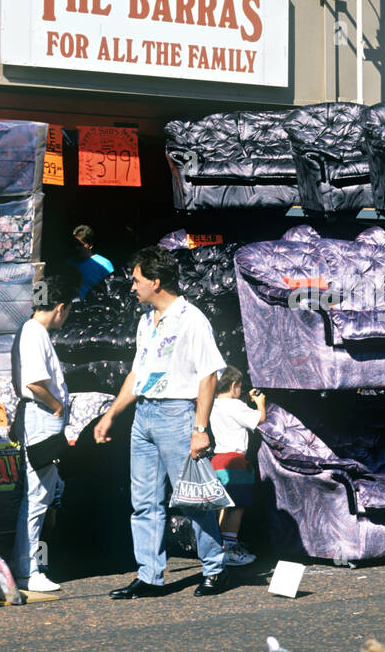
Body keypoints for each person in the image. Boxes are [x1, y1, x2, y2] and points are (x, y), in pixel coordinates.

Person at [93, 246, 229, 599]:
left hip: (177, 415)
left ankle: (214, 570)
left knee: (194, 499)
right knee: (144, 502)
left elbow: (209, 375)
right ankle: (150, 576)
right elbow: (137, 374)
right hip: (145, 416)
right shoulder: (145, 322)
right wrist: (111, 414)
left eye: (136, 280)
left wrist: (200, 428)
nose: (131, 286)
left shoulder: (192, 319)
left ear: (156, 281)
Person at [10, 274, 76, 593]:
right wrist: (57, 407)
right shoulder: (35, 332)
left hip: (39, 419)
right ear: (60, 307)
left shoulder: (31, 331)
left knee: (43, 495)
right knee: (38, 496)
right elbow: (36, 383)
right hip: (42, 418)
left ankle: (32, 564)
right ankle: (28, 568)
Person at [209, 367, 268, 567]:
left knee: (225, 505)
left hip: (217, 461)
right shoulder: (236, 406)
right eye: (240, 386)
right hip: (235, 462)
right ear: (234, 386)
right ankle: (230, 550)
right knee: (237, 507)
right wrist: (260, 403)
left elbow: (232, 411)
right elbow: (259, 419)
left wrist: (243, 399)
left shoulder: (213, 404)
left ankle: (220, 547)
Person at [70, 224, 114, 299]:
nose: (77, 248)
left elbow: (112, 291)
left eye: (80, 245)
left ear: (90, 245)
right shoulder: (70, 263)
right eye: (75, 244)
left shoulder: (104, 265)